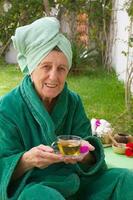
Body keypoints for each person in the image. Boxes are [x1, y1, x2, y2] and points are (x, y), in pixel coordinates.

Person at [0, 17, 133, 200]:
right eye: (46, 66)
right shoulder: (8, 107)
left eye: (61, 68)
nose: (53, 77)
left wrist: (84, 154)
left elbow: (87, 149)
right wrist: (27, 160)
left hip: (75, 181)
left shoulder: (73, 101)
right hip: (34, 185)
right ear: (31, 69)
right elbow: (2, 167)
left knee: (125, 178)